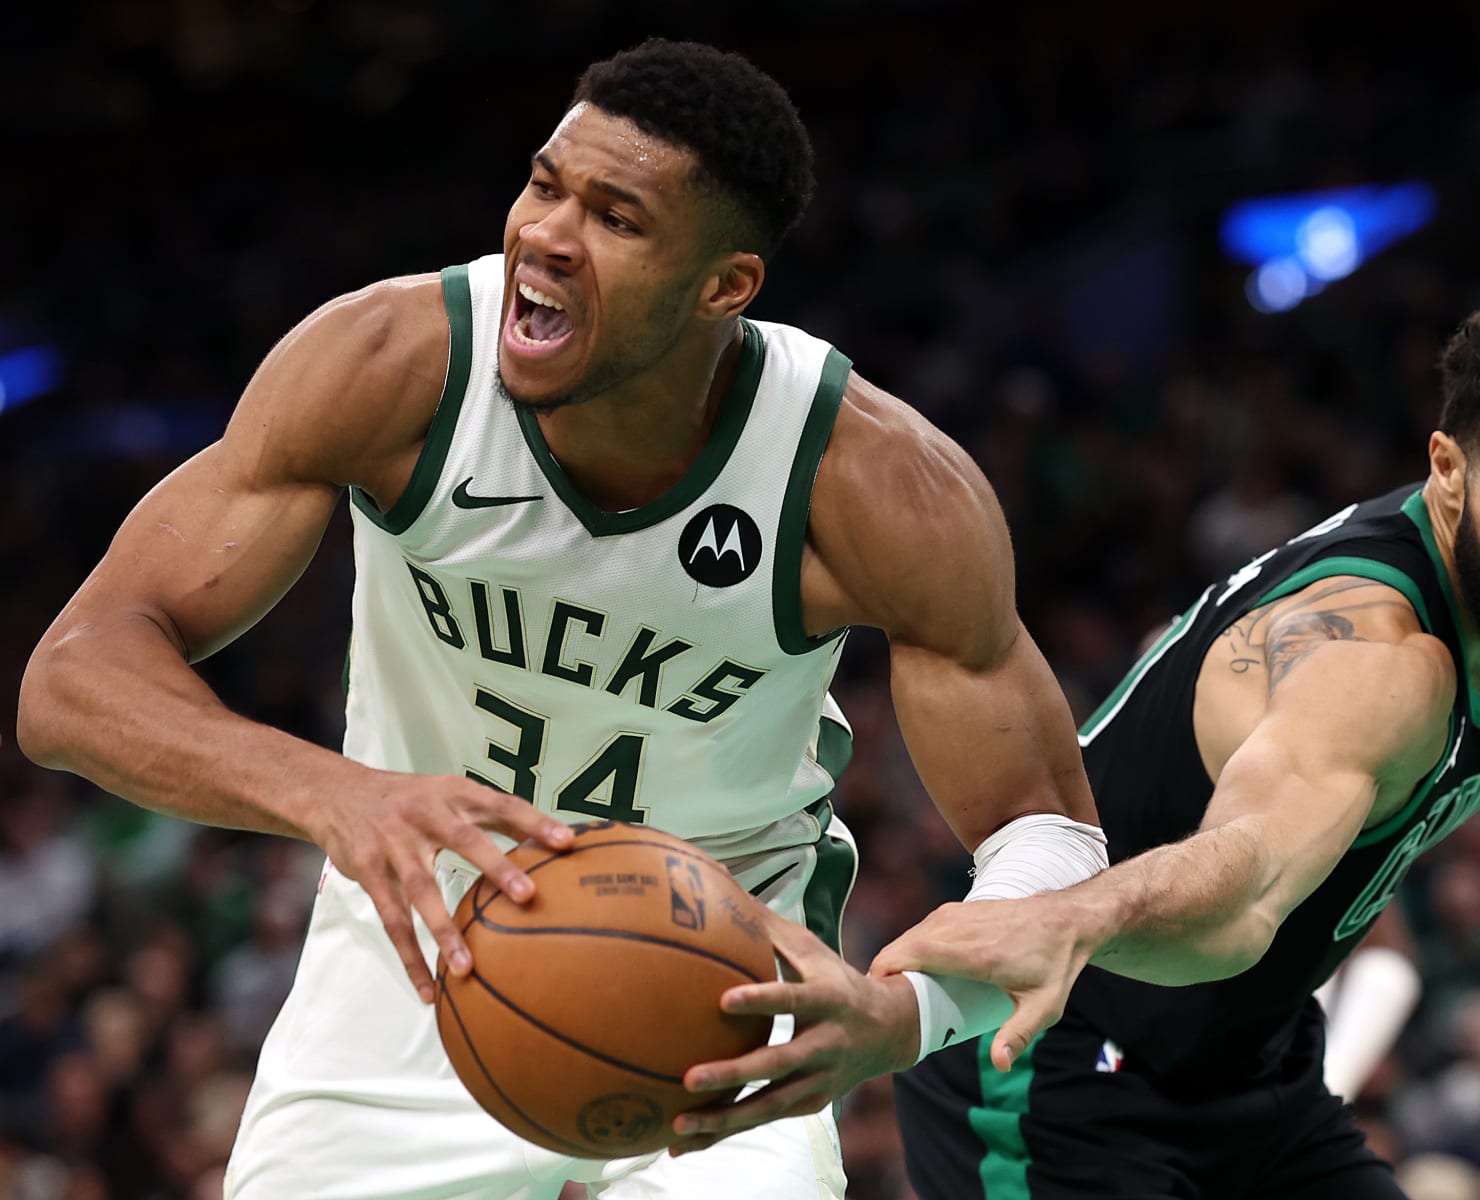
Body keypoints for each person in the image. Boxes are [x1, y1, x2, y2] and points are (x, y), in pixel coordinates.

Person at [16, 40, 1107, 1200]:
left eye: (615, 218)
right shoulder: (391, 367)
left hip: (721, 981)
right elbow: (74, 681)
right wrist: (337, 793)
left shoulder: (869, 484)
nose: (544, 233)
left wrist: (909, 1012)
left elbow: (1049, 831)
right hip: (416, 950)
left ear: (724, 286)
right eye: (545, 185)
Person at [880, 288, 1480, 1199]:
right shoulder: (1378, 659)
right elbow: (1245, 893)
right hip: (1057, 1064)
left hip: (1256, 1075)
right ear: (1447, 469)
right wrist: (1076, 915)